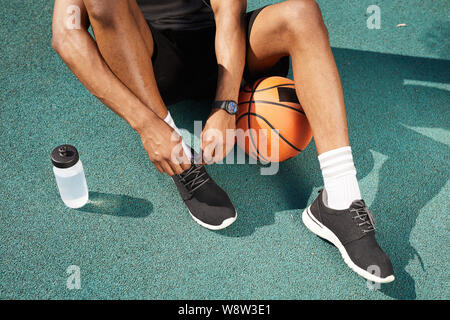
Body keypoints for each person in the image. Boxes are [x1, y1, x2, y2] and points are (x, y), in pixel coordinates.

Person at [52, 0, 394, 283]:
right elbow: (67, 36)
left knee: (301, 13)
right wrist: (147, 124)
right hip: (149, 63)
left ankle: (340, 198)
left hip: (223, 52)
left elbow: (229, 11)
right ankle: (182, 160)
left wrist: (226, 106)